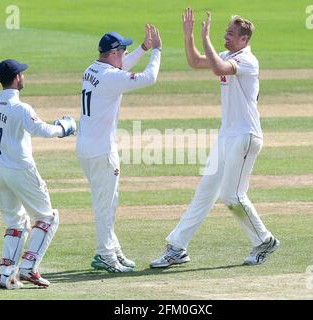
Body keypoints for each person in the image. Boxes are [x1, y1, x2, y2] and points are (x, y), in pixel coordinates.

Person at [150, 8, 279, 268]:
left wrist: (205, 37)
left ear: (244, 39)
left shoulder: (247, 61)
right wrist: (189, 37)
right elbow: (195, 61)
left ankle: (264, 240)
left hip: (245, 136)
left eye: (231, 34)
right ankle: (177, 248)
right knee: (204, 193)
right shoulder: (227, 55)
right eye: (225, 33)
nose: (226, 37)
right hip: (226, 136)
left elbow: (217, 68)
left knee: (232, 196)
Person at [0, 59, 76, 289]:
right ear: (16, 78)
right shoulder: (21, 108)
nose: (23, 76)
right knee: (48, 218)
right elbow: (41, 129)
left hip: (0, 171)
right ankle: (28, 268)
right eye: (21, 74)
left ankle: (5, 275)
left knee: (16, 222)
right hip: (22, 170)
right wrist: (64, 128)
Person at [77, 25, 162, 272]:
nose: (125, 54)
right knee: (106, 204)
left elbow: (121, 68)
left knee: (108, 201)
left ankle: (112, 249)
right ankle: (105, 254)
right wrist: (156, 51)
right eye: (123, 50)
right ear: (114, 53)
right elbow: (149, 78)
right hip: (102, 150)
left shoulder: (92, 69)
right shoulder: (110, 76)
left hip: (86, 148)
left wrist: (143, 48)